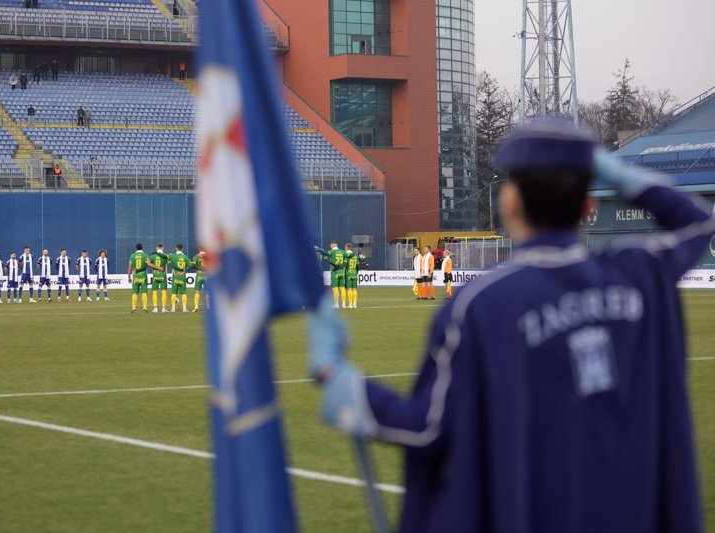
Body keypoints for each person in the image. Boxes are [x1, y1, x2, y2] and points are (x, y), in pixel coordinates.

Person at [306, 119, 714, 533]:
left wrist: (344, 383)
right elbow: (699, 223)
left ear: (511, 200)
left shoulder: (482, 305)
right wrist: (619, 173)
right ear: (589, 205)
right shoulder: (638, 276)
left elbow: (427, 427)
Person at [315, 241, 346, 308]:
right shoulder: (343, 252)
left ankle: (336, 304)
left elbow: (325, 253)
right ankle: (344, 304)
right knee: (342, 288)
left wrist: (318, 249)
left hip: (335, 272)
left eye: (331, 246)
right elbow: (345, 262)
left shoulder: (332, 252)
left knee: (335, 288)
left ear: (332, 245)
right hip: (341, 272)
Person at [127, 243, 154, 313]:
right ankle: (145, 307)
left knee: (135, 292)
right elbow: (148, 264)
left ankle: (133, 308)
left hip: (135, 276)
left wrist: (129, 276)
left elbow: (130, 266)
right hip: (143, 275)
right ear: (142, 247)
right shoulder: (145, 255)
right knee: (144, 292)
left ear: (136, 248)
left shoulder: (132, 256)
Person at [168, 244, 190, 312]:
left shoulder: (173, 256)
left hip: (175, 276)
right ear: (182, 249)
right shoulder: (185, 257)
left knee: (174, 293)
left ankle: (173, 308)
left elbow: (167, 259)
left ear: (176, 248)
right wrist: (185, 272)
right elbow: (191, 265)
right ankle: (184, 308)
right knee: (184, 293)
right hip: (182, 277)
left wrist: (171, 264)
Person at [148, 244, 169, 313]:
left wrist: (156, 267)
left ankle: (155, 308)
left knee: (154, 292)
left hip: (155, 275)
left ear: (156, 248)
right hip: (162, 275)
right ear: (163, 248)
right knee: (163, 292)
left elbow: (148, 263)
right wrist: (160, 268)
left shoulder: (152, 256)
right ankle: (163, 308)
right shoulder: (165, 256)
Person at [191, 248, 208, 312]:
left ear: (199, 249)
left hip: (199, 274)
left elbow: (193, 265)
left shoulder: (196, 257)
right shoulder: (208, 256)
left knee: (197, 291)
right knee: (207, 292)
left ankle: (196, 307)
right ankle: (208, 307)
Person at [343, 243, 359, 309]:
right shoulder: (355, 256)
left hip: (348, 274)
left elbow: (344, 265)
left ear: (347, 247)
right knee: (354, 289)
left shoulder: (346, 255)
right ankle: (354, 304)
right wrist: (356, 273)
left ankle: (350, 304)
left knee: (349, 289)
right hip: (354, 273)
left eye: (345, 247)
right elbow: (357, 267)